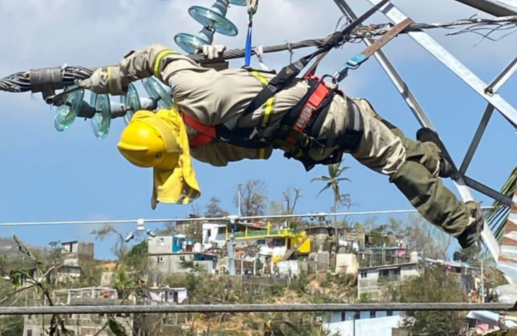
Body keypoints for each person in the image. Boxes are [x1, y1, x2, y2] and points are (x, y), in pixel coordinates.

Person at [78, 43, 483, 248]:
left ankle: (433, 158)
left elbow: (261, 146)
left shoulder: (208, 151)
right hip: (333, 113)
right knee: (394, 161)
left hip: (317, 144)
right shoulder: (190, 87)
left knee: (376, 127)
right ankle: (462, 225)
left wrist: (217, 71)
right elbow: (154, 56)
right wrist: (110, 78)